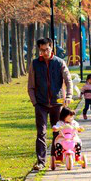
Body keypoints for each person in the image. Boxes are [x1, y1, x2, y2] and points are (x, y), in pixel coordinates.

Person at [28, 37, 73, 171]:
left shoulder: (59, 63)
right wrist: (34, 102)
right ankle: (41, 162)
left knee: (57, 132)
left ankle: (56, 157)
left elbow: (68, 80)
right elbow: (30, 85)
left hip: (57, 103)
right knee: (41, 133)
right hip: (40, 103)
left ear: (51, 47)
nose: (45, 53)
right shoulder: (35, 64)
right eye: (42, 50)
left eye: (47, 49)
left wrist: (69, 96)